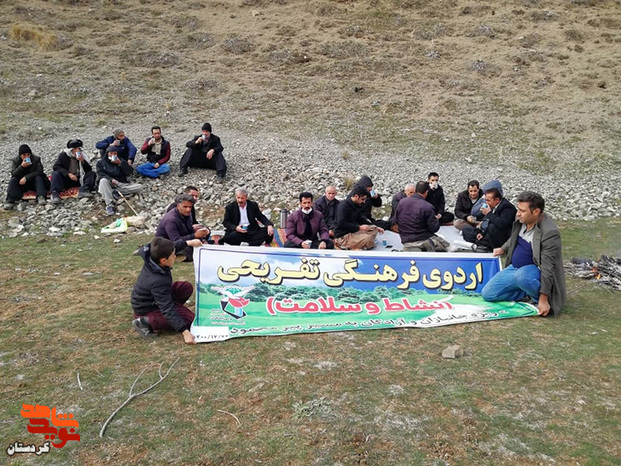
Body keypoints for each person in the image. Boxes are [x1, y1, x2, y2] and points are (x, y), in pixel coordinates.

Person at [482, 192, 566, 316]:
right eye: (518, 209)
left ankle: (539, 299)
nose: (518, 213)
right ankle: (525, 292)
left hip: (533, 272)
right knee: (488, 294)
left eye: (522, 211)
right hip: (515, 269)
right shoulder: (522, 220)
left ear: (536, 212)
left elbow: (548, 267)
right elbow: (514, 237)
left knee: (522, 277)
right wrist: (503, 249)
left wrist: (543, 298)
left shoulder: (549, 233)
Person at [131, 236, 203, 343]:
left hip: (157, 296)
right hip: (148, 308)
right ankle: (145, 321)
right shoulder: (157, 280)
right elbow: (167, 308)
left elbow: (172, 247)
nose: (175, 256)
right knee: (189, 319)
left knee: (185, 287)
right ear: (163, 260)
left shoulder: (152, 256)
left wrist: (189, 243)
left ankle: (175, 310)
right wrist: (185, 332)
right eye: (173, 255)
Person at [395, 181, 450, 252]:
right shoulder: (427, 206)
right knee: (445, 245)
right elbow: (434, 228)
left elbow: (396, 219)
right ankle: (423, 247)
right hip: (422, 237)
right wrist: (435, 219)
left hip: (405, 238)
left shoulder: (401, 202)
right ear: (426, 192)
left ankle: (410, 247)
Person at [156, 194, 210, 260]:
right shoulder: (171, 220)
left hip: (182, 238)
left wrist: (202, 239)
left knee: (204, 233)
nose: (188, 209)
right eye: (185, 207)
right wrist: (195, 236)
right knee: (189, 249)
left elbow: (190, 230)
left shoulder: (187, 214)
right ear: (178, 206)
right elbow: (176, 241)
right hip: (167, 245)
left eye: (190, 207)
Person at [462, 186, 516, 252]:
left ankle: (485, 245)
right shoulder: (494, 205)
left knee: (492, 227)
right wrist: (482, 234)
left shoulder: (507, 207)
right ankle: (482, 243)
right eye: (486, 200)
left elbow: (501, 224)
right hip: (491, 233)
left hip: (503, 237)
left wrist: (488, 213)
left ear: (497, 200)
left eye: (488, 200)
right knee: (466, 229)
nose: (486, 203)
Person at [96, 145, 143, 216]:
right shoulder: (101, 162)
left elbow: (129, 172)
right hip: (108, 183)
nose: (113, 155)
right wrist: (111, 179)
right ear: (107, 153)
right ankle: (109, 204)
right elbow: (100, 174)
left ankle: (114, 192)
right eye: (111, 153)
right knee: (103, 181)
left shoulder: (121, 160)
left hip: (120, 184)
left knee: (139, 187)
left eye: (114, 153)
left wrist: (120, 164)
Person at [333, 185, 383, 250]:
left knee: (374, 229)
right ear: (356, 196)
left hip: (354, 231)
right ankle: (345, 245)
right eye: (363, 199)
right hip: (343, 236)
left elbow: (360, 219)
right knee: (368, 239)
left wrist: (373, 226)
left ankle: (360, 243)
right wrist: (359, 227)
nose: (364, 202)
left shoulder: (356, 205)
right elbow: (341, 224)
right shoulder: (343, 206)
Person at [50, 139, 96, 204]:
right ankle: (55, 194)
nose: (77, 150)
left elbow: (88, 170)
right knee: (55, 173)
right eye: (75, 149)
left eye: (78, 148)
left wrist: (82, 161)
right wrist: (68, 174)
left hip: (79, 179)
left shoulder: (83, 156)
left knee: (92, 174)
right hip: (67, 178)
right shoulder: (63, 155)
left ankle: (83, 190)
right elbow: (56, 167)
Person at [4, 144, 49, 209]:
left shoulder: (36, 159)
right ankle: (10, 200)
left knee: (39, 177)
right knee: (13, 179)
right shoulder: (16, 161)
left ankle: (41, 196)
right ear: (20, 155)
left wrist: (26, 178)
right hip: (22, 183)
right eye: (24, 155)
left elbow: (39, 171)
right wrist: (22, 167)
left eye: (28, 154)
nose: (26, 156)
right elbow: (13, 173)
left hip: (34, 182)